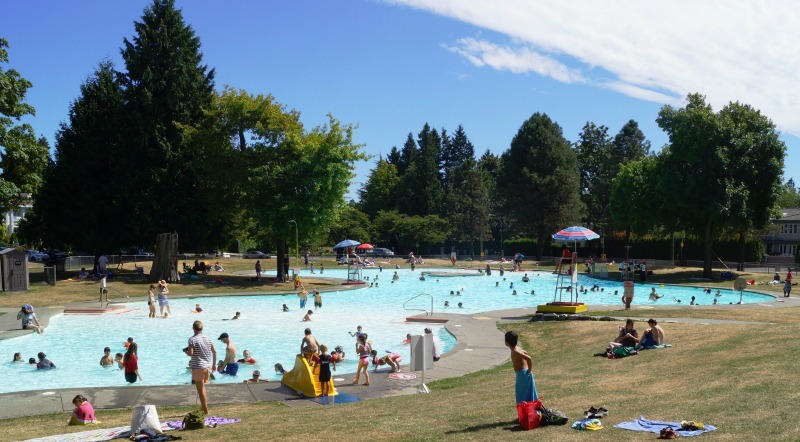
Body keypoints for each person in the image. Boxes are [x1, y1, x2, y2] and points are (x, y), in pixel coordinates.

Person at [185, 320, 217, 415]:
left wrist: (186, 352)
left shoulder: (192, 339)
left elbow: (191, 353)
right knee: (203, 388)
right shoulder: (208, 338)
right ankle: (204, 407)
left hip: (198, 366)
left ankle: (205, 410)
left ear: (193, 328)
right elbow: (214, 351)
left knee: (200, 389)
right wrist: (214, 364)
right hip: (207, 366)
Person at [505, 331, 538, 404]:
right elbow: (525, 352)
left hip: (521, 374)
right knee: (528, 393)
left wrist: (529, 369)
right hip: (526, 373)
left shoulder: (514, 351)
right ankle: (530, 410)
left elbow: (528, 358)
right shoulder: (518, 348)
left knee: (521, 395)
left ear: (506, 342)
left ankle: (522, 412)